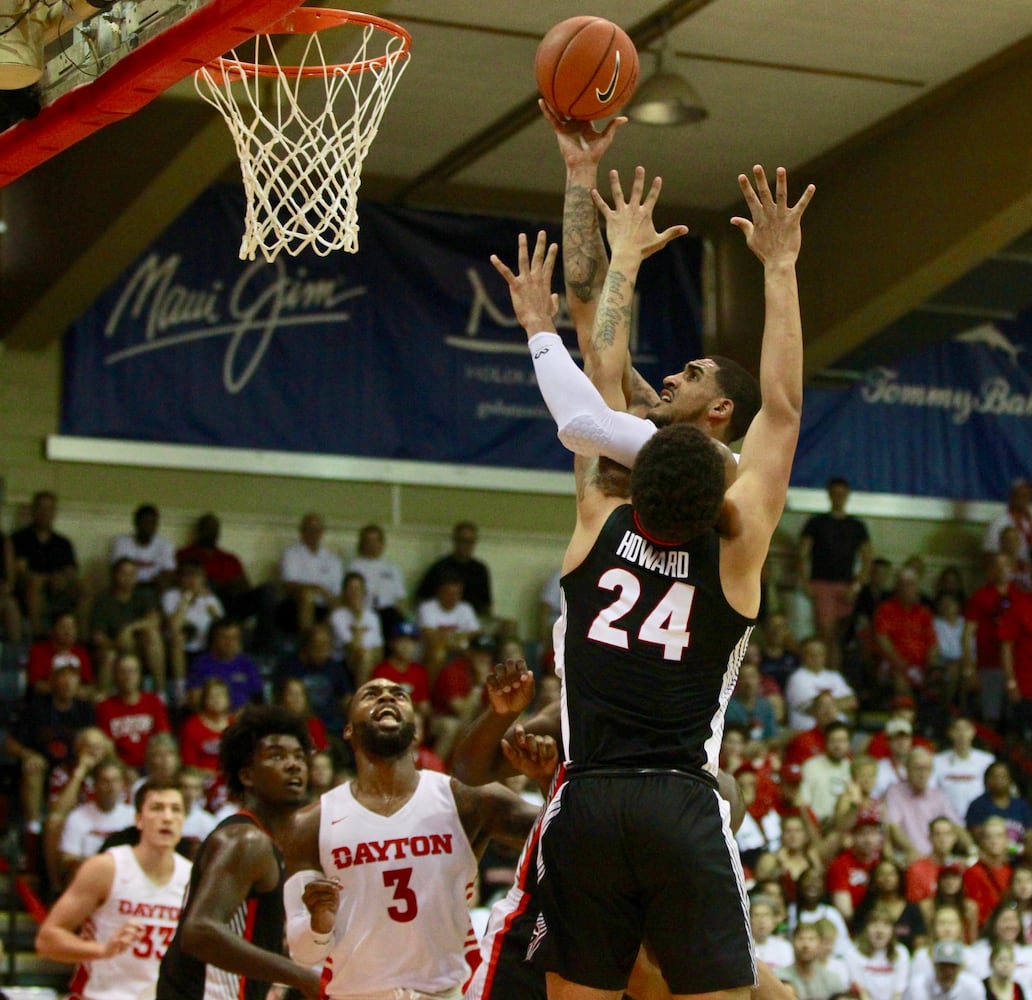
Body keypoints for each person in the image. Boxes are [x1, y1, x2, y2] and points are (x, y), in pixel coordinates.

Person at [490, 158, 814, 1000]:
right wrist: (780, 268)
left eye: (692, 378)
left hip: (590, 798)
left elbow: (595, 386)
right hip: (677, 799)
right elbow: (784, 408)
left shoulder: (600, 510)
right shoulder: (738, 534)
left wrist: (616, 261)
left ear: (710, 421)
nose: (665, 380)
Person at [280, 677, 540, 1000]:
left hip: (444, 992)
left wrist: (544, 781)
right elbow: (303, 953)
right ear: (348, 730)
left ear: (416, 731)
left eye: (399, 695)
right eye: (371, 694)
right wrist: (319, 924)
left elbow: (556, 834)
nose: (386, 698)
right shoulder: (310, 823)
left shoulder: (464, 800)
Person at [156, 705, 321, 1000]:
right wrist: (300, 976)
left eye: (299, 756)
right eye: (277, 756)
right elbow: (199, 931)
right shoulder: (245, 840)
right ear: (247, 775)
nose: (294, 765)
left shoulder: (269, 841)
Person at [35, 778, 191, 999]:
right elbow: (47, 940)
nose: (167, 817)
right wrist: (102, 950)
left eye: (176, 810)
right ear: (138, 819)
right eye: (157, 808)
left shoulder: (192, 878)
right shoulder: (107, 867)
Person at [797, 477, 873, 673]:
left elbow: (867, 558)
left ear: (847, 496)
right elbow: (802, 554)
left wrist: (856, 586)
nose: (838, 497)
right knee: (826, 635)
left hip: (846, 587)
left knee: (838, 639)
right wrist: (805, 582)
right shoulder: (816, 522)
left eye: (842, 493)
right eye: (835, 493)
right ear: (829, 495)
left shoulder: (857, 526)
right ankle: (823, 676)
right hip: (822, 584)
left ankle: (834, 678)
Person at [11, 489, 89, 638]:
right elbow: (20, 569)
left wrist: (62, 578)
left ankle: (81, 637)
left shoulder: (63, 542)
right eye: (41, 508)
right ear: (33, 511)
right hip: (30, 587)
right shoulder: (19, 538)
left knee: (84, 586)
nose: (45, 513)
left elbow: (71, 569)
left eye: (49, 509)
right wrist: (46, 579)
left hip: (59, 587)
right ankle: (38, 634)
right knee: (35, 583)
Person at [91, 557, 167, 695]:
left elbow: (154, 620)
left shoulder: (144, 595)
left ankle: (160, 693)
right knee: (109, 655)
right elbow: (98, 636)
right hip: (114, 648)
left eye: (132, 574)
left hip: (141, 649)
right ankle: (103, 701)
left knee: (152, 635)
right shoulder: (104, 599)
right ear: (115, 575)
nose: (128, 578)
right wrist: (117, 643)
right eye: (123, 573)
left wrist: (129, 629)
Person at [58, 757, 137, 887]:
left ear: (123, 784)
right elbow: (68, 858)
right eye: (105, 781)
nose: (110, 786)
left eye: (115, 781)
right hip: (88, 878)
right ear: (94, 784)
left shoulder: (133, 816)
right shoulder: (77, 816)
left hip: (125, 880)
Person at [884, 747, 967, 863]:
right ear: (907, 769)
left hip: (938, 857)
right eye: (918, 768)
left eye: (927, 769)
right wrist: (912, 851)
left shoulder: (938, 795)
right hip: (909, 856)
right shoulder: (895, 792)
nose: (922, 774)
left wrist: (972, 849)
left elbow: (956, 825)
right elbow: (894, 827)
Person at [964, 554, 1020, 725]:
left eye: (1006, 565)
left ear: (1013, 569)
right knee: (990, 717)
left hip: (1017, 668)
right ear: (991, 570)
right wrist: (970, 667)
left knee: (1015, 720)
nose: (1002, 570)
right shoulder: (980, 597)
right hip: (988, 665)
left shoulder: (1020, 597)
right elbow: (967, 634)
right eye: (998, 566)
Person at [96, 652, 171, 772]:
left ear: (139, 675)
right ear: (115, 675)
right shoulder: (105, 707)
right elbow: (107, 747)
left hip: (152, 766)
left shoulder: (153, 702)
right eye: (123, 672)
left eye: (132, 671)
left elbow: (162, 737)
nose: (128, 676)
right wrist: (124, 770)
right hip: (120, 769)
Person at [277, 512, 343, 634]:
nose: (313, 532)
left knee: (341, 604)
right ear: (301, 531)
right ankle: (307, 642)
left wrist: (331, 600)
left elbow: (337, 592)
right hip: (297, 605)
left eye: (316, 529)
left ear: (322, 532)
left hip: (325, 605)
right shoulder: (291, 553)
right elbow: (289, 586)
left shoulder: (333, 558)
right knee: (307, 596)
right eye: (309, 529)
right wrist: (317, 588)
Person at [416, 521, 494, 620]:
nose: (466, 545)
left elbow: (486, 604)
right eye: (462, 540)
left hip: (472, 619)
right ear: (455, 541)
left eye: (470, 541)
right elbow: (421, 598)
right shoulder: (440, 567)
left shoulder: (480, 569)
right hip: (444, 619)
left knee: (509, 626)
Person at [346, 523, 408, 640]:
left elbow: (401, 599)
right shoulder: (354, 567)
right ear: (362, 543)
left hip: (389, 614)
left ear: (382, 543)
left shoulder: (392, 567)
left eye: (376, 541)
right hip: (365, 612)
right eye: (368, 541)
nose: (372, 545)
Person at [784, 635, 858, 732]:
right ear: (802, 655)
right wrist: (838, 704)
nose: (816, 658)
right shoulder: (797, 678)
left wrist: (825, 705)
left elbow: (853, 702)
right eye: (811, 654)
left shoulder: (835, 676)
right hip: (806, 733)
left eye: (820, 654)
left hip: (839, 733)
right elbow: (812, 709)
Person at [186, 619, 263, 711]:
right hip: (212, 719)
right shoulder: (200, 664)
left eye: (234, 638)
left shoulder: (248, 663)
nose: (230, 642)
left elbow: (258, 698)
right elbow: (195, 701)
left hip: (243, 719)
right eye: (224, 637)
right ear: (214, 639)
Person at [933, 716, 996, 822]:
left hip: (980, 819)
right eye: (957, 729)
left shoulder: (987, 760)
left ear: (973, 732)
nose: (962, 734)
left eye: (966, 729)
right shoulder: (937, 761)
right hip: (947, 820)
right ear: (950, 733)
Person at [328, 571, 383, 686]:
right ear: (344, 592)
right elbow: (353, 646)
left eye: (358, 589)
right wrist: (357, 618)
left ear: (364, 592)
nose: (355, 593)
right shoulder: (337, 616)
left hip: (369, 659)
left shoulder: (372, 617)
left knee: (367, 656)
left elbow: (379, 648)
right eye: (351, 589)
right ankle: (361, 697)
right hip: (343, 661)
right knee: (364, 655)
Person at [965, 761, 1032, 851]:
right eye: (995, 776)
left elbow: (1029, 833)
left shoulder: (1021, 805)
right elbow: (978, 837)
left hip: (1019, 856)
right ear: (986, 780)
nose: (999, 780)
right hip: (989, 857)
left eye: (1004, 776)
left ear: (1010, 780)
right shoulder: (978, 805)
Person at [110, 504, 177, 592]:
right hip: (128, 586)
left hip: (153, 587)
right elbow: (116, 570)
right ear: (135, 523)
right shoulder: (121, 542)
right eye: (144, 522)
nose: (148, 527)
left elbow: (169, 572)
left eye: (152, 523)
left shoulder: (165, 545)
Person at [26, 610, 94, 695]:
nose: (68, 632)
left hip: (75, 701)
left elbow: (88, 686)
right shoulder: (38, 651)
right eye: (63, 627)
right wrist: (64, 691)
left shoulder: (81, 653)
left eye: (71, 627)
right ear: (53, 629)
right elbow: (36, 684)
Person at [963, 817, 1015, 929]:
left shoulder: (1013, 871)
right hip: (985, 932)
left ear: (1006, 840)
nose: (994, 841)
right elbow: (973, 910)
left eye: (999, 836)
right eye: (988, 837)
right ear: (982, 842)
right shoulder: (972, 872)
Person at [777, 922, 847, 1000]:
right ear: (792, 942)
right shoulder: (779, 978)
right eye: (801, 938)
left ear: (819, 943)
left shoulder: (832, 980)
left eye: (811, 939)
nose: (806, 945)